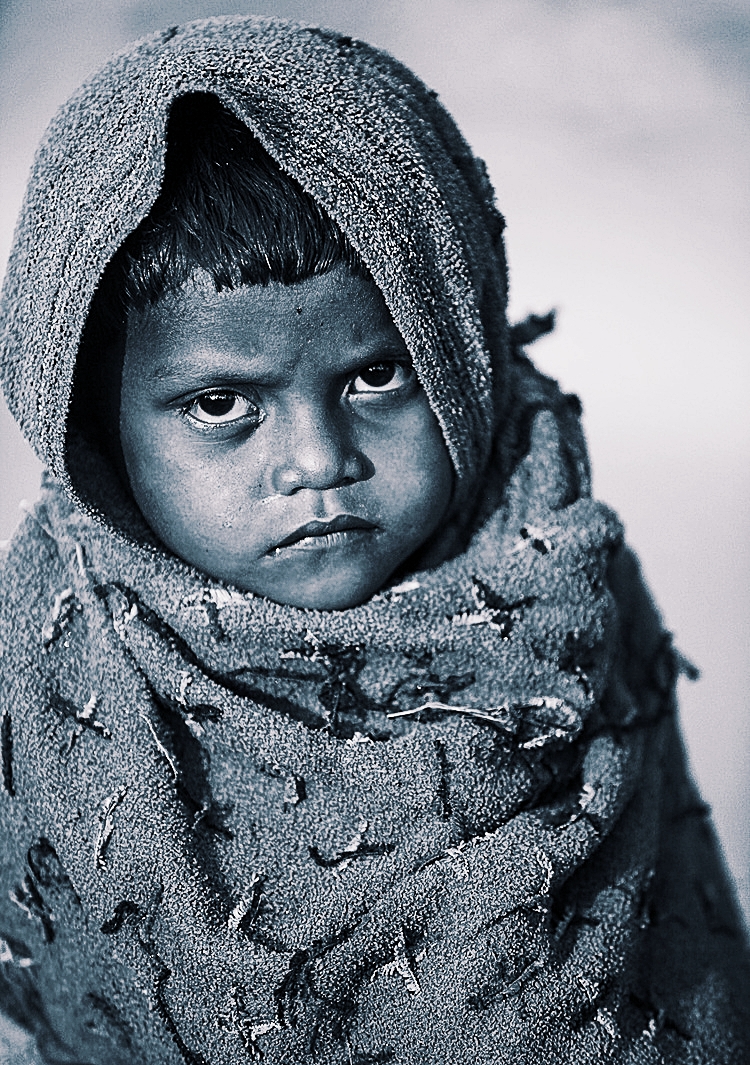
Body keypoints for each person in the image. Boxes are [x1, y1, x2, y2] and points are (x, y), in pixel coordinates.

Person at [0, 16, 748, 1065]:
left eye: (377, 375)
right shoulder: (46, 668)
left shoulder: (555, 572)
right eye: (221, 402)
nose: (318, 460)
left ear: (459, 347)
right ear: (92, 428)